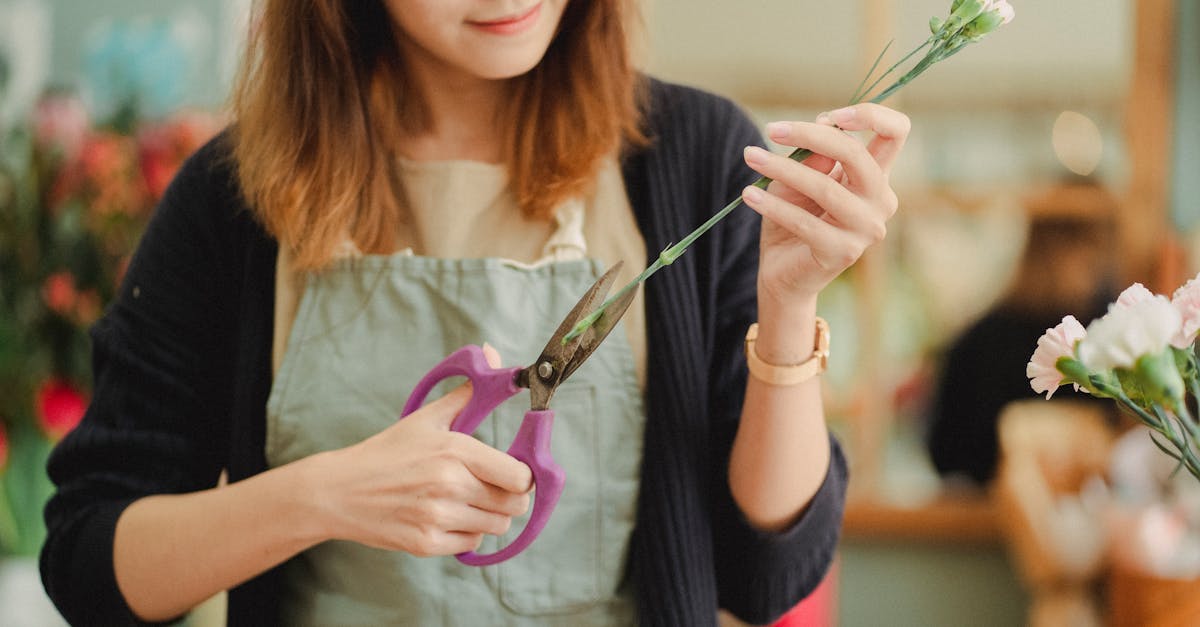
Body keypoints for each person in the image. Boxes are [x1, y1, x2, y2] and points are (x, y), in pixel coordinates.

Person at [39, 1, 909, 625]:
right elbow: (90, 565)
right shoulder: (235, 197)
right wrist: (320, 496)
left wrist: (790, 306)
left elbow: (768, 575)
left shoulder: (691, 158)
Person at [925, 181, 1121, 486]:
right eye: (1088, 249)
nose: (1096, 265)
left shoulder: (1115, 332)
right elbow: (947, 454)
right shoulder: (983, 344)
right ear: (1048, 248)